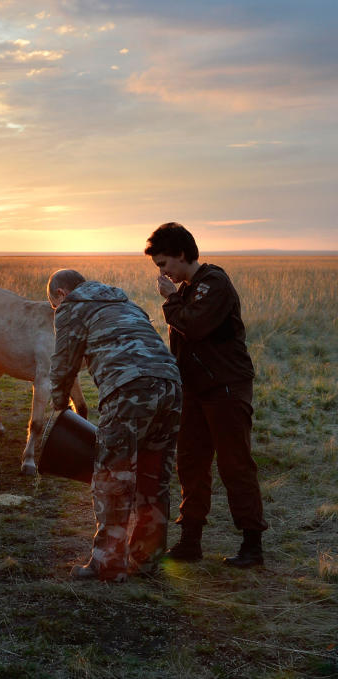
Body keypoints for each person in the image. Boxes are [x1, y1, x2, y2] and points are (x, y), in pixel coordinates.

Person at [145, 222, 267, 568]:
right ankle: (190, 541)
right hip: (196, 390)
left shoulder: (214, 284)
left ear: (182, 255)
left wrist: (170, 297)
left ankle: (252, 545)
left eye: (164, 263)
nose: (163, 272)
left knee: (235, 464)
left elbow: (194, 326)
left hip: (226, 388)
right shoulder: (191, 288)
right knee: (190, 463)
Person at [48, 269, 182, 582]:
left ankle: (107, 564)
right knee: (154, 476)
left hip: (129, 389)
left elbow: (63, 364)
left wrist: (58, 408)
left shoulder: (70, 307)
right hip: (171, 385)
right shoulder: (125, 302)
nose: (56, 310)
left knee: (112, 478)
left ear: (60, 294)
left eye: (54, 304)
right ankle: (147, 562)